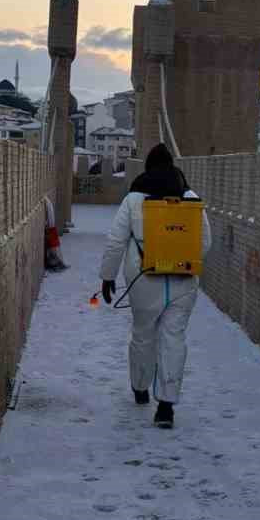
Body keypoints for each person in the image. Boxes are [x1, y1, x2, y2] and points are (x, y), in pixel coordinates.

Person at [98, 143, 211, 429]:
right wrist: (181, 259)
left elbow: (115, 241)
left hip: (143, 279)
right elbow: (205, 242)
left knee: (143, 334)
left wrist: (107, 276)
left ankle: (140, 387)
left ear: (148, 167)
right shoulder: (189, 196)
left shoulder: (134, 198)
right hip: (183, 282)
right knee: (173, 338)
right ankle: (166, 406)